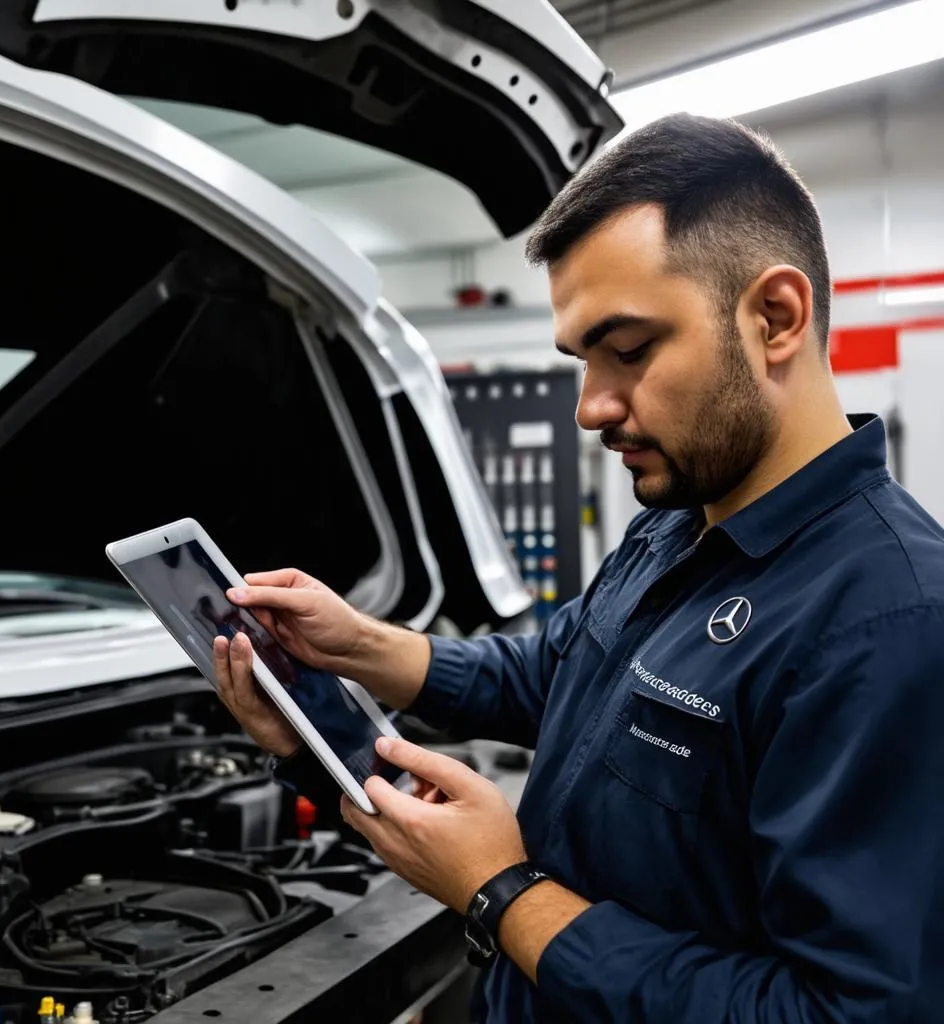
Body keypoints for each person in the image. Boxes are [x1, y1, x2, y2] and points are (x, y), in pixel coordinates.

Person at [211, 113, 944, 1022]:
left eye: (628, 351)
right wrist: (358, 647)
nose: (591, 408)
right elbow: (558, 671)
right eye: (581, 361)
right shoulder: (679, 521)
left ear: (775, 318)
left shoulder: (892, 625)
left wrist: (502, 892)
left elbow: (844, 1014)